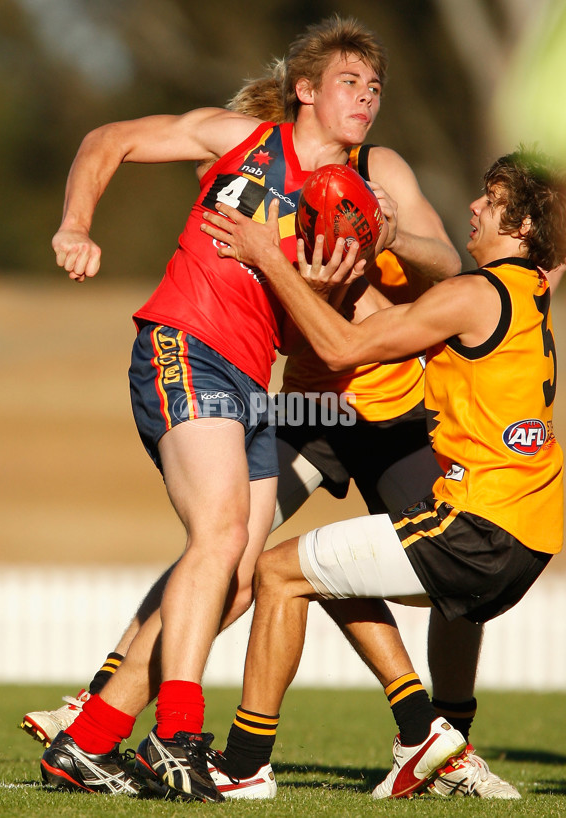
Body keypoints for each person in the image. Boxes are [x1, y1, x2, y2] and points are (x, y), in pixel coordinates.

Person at [27, 16, 515, 799]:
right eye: (351, 83)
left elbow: (435, 263)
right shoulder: (240, 141)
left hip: (311, 395)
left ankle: (89, 737)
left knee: (243, 573)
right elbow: (108, 138)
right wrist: (75, 225)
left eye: (376, 86)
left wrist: (370, 243)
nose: (368, 98)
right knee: (219, 539)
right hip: (202, 353)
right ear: (306, 91)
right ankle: (175, 731)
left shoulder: (373, 176)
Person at [199, 144, 566, 798]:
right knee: (334, 567)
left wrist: (266, 255)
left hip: (479, 530)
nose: (474, 206)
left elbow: (342, 347)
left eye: (493, 199)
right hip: (531, 541)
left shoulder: (475, 294)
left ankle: (243, 765)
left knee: (277, 571)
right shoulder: (534, 289)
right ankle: (432, 738)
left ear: (524, 227)